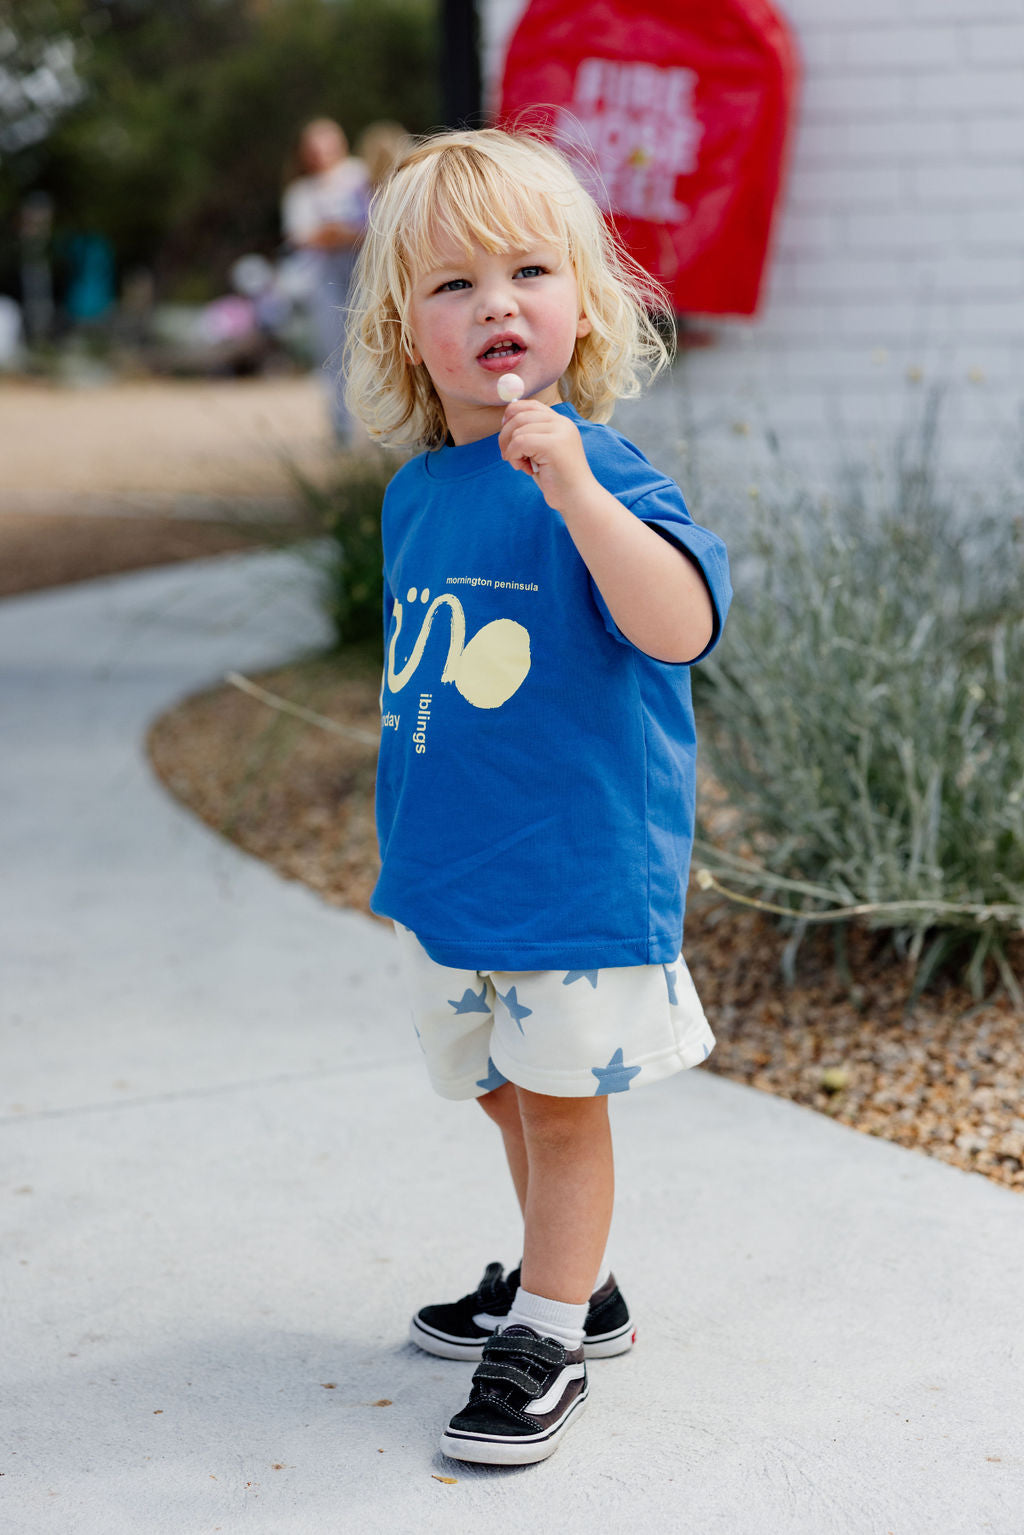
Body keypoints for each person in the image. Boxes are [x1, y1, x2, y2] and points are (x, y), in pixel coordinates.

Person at [344, 129, 731, 1466]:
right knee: (504, 1086)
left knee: (564, 1101)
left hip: (572, 874)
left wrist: (572, 485)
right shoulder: (418, 491)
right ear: (408, 332)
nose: (495, 301)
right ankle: (579, 1280)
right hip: (456, 875)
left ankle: (551, 1331)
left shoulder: (605, 471)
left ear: (585, 300)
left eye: (526, 268)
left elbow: (679, 625)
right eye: (453, 286)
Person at [281, 117, 368, 441]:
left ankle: (384, 428)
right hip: (324, 281)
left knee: (376, 348)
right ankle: (342, 428)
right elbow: (301, 238)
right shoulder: (300, 193)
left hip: (364, 275)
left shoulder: (359, 175)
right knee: (334, 352)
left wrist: (334, 234)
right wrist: (339, 234)